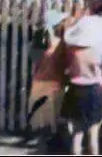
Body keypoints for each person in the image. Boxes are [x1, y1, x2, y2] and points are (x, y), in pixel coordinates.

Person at [63, 0, 102, 156]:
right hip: (93, 89)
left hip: (75, 88)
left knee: (77, 134)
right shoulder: (99, 48)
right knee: (93, 135)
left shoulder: (73, 50)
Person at [27, 9, 69, 153]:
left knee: (43, 129)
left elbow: (35, 61)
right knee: (58, 125)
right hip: (54, 86)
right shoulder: (59, 44)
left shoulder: (38, 45)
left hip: (38, 85)